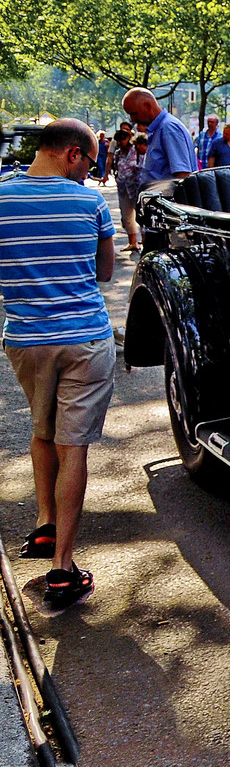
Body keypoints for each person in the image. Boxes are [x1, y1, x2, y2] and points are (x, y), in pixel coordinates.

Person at [0, 120, 116, 609]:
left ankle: (45, 525)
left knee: (42, 430)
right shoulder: (89, 203)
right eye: (91, 163)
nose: (91, 174)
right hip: (86, 340)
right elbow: (106, 272)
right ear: (72, 154)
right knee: (75, 449)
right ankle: (63, 570)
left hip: (26, 341)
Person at [121, 88, 197, 189]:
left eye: (134, 113)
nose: (132, 119)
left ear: (147, 106)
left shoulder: (168, 128)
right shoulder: (160, 129)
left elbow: (182, 176)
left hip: (168, 201)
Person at [112, 130, 144, 253]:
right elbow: (115, 167)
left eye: (122, 140)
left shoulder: (136, 151)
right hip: (123, 187)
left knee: (141, 215)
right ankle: (132, 242)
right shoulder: (118, 153)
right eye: (118, 140)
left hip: (136, 187)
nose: (120, 143)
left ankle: (145, 242)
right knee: (127, 217)